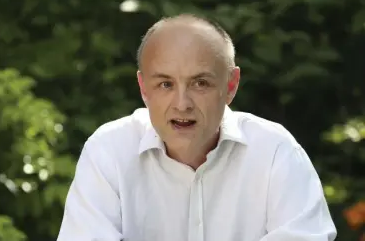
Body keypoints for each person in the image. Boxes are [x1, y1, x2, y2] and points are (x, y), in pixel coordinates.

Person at [57, 14, 337, 241]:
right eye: (165, 84)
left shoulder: (275, 151)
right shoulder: (109, 151)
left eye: (200, 83)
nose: (182, 104)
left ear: (231, 85)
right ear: (144, 89)